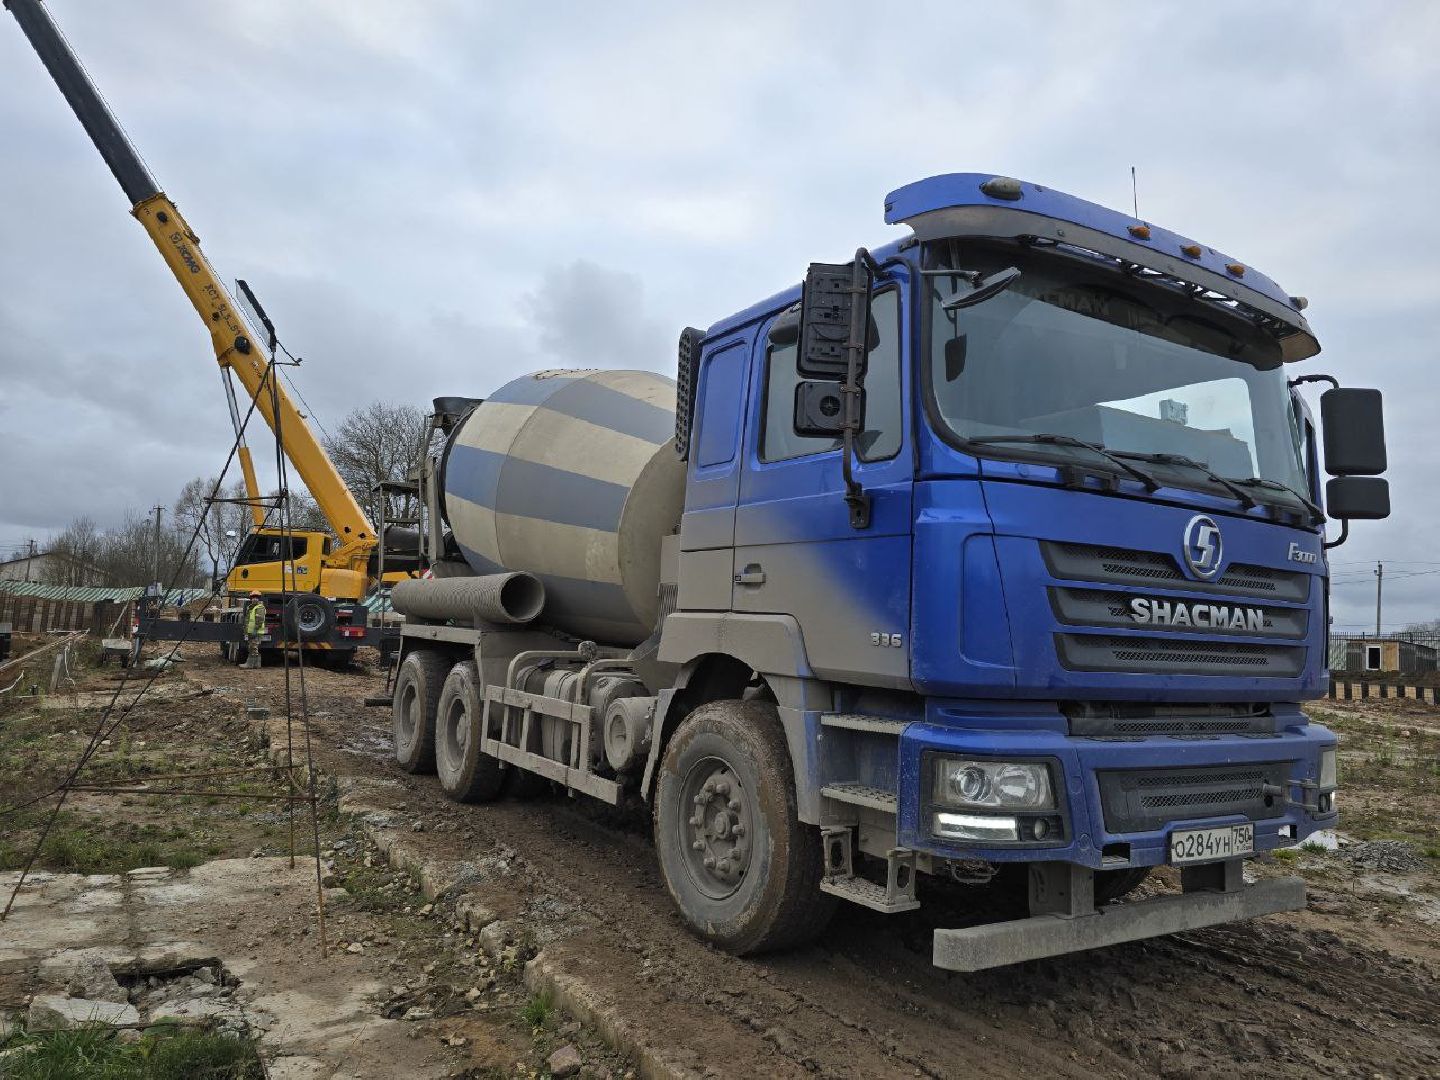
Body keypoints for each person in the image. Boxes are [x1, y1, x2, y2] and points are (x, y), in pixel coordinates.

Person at [243, 591, 265, 669]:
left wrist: (255, 630)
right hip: (251, 631)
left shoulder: (260, 608)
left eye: (256, 597)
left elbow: (260, 620)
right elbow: (248, 620)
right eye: (253, 597)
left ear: (259, 599)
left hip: (257, 632)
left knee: (254, 647)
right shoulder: (251, 608)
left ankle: (251, 664)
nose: (254, 599)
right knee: (252, 647)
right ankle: (255, 664)